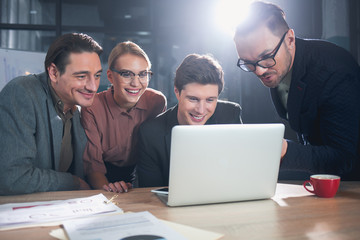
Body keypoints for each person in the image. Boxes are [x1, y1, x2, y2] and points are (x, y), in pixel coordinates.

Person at [233, 1, 360, 180]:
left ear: (290, 40)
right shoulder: (275, 65)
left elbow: (343, 158)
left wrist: (284, 150)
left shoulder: (334, 72)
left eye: (266, 57)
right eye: (248, 62)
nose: (259, 71)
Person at [0, 33, 103, 195]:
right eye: (82, 76)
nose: (93, 86)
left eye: (97, 75)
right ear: (54, 73)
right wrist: (74, 182)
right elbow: (12, 178)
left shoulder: (77, 108)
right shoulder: (21, 93)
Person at [136, 53, 242, 187]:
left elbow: (239, 173)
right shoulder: (150, 134)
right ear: (177, 92)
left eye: (210, 100)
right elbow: (149, 193)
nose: (201, 110)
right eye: (193, 99)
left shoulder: (230, 115)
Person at [81, 41, 166, 193]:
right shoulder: (92, 107)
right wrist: (107, 189)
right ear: (110, 76)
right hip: (100, 179)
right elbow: (93, 165)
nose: (135, 83)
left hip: (141, 177)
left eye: (143, 74)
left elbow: (157, 152)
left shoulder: (156, 102)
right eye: (126, 74)